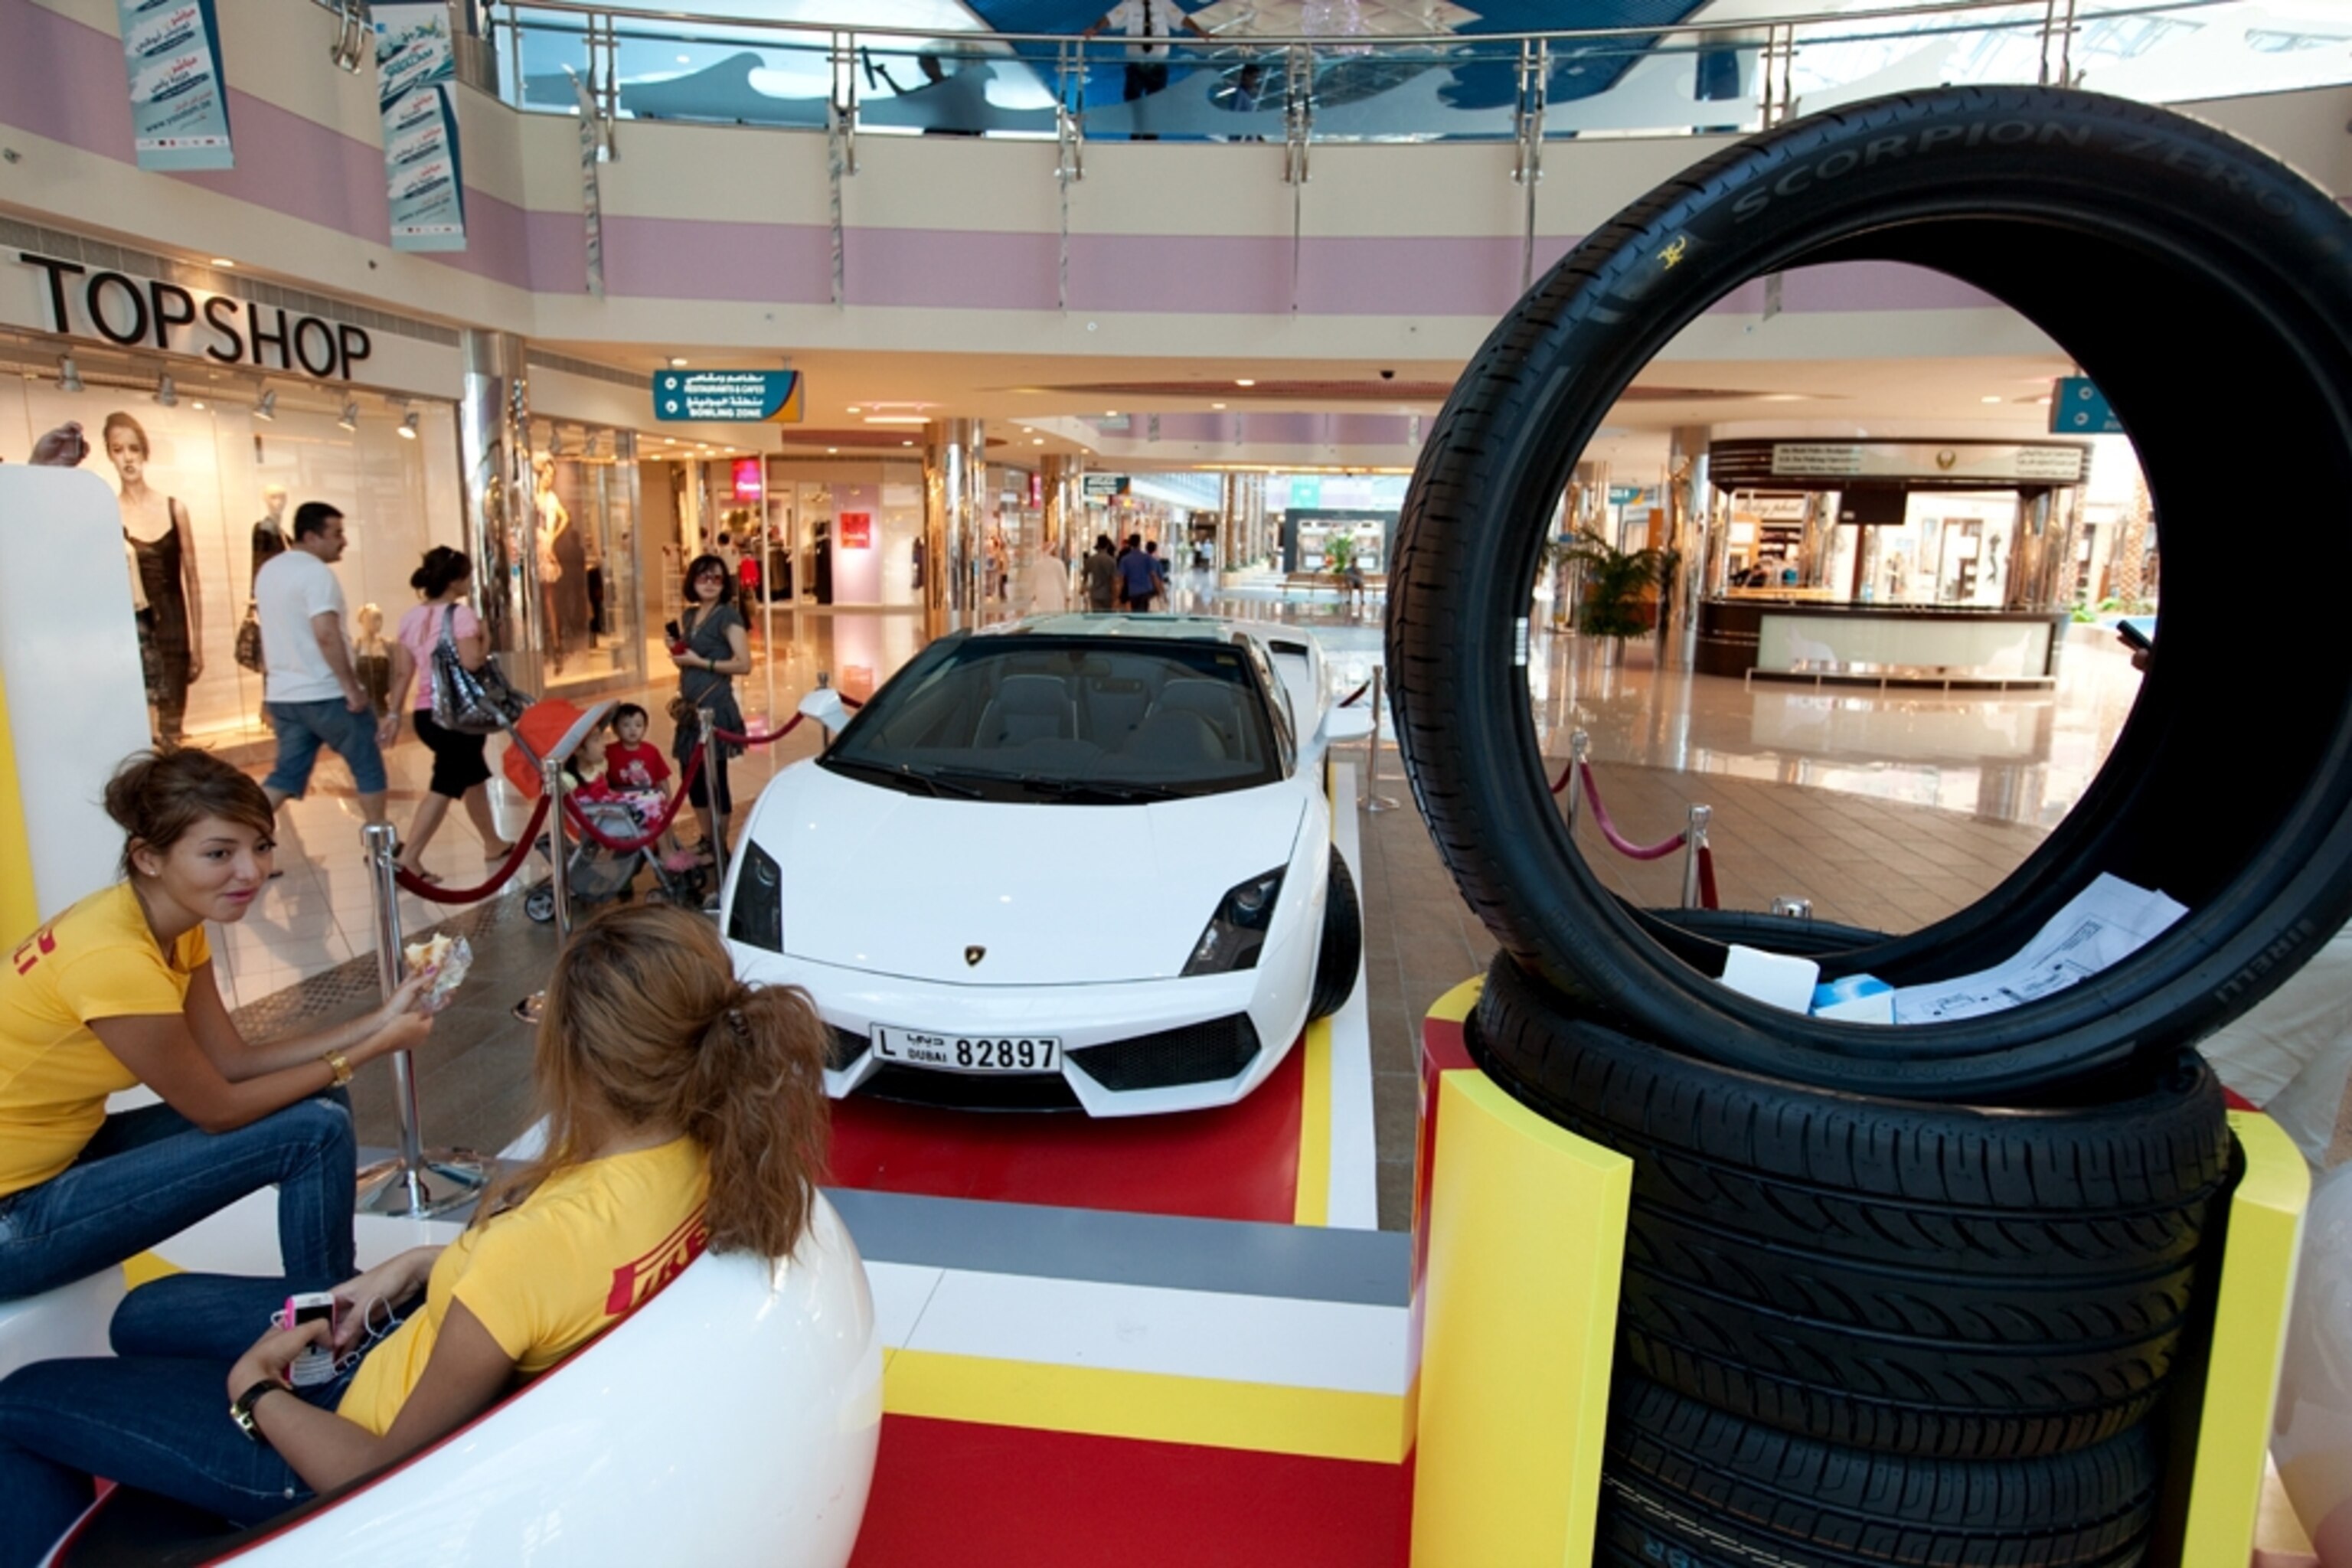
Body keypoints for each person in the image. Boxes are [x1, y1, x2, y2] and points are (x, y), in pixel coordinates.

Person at [0, 902, 830, 1565]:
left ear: (576, 1051)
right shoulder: (705, 1149)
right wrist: (414, 1267)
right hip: (402, 1332)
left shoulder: (531, 1246)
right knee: (145, 1313)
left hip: (328, 1434)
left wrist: (254, 1388)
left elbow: (380, 1475)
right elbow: (540, 1280)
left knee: (19, 1399)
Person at [0, 749, 436, 1308]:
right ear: (148, 858)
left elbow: (231, 1060)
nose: (250, 872)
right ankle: (331, 1326)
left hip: (64, 1156)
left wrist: (376, 1019)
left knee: (320, 1100)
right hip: (15, 1215)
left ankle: (330, 1296)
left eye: (260, 847)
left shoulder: (169, 923)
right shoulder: (114, 958)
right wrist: (374, 1047)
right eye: (218, 854)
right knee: (315, 1129)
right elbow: (219, 1108)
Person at [255, 503, 397, 828]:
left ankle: (244, 836)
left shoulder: (269, 572)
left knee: (285, 774)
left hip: (286, 694)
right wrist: (352, 688)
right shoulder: (317, 574)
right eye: (337, 534)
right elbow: (326, 635)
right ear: (310, 536)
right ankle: (380, 845)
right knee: (368, 766)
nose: (344, 541)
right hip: (326, 693)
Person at [386, 547, 513, 882]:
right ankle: (410, 858)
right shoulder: (461, 616)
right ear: (454, 580)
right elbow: (472, 662)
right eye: (467, 575)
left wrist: (394, 714)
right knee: (446, 782)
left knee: (472, 776)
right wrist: (485, 638)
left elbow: (402, 673)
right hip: (459, 714)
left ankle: (492, 841)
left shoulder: (409, 618)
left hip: (427, 714)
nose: (470, 581)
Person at [105, 412, 201, 745]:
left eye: (133, 448)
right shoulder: (108, 513)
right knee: (143, 733)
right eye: (118, 449)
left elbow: (192, 580)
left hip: (174, 627)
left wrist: (198, 646)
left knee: (173, 727)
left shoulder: (175, 508)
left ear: (145, 452)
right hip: (135, 632)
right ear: (109, 455)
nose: (128, 457)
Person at [671, 554, 751, 867]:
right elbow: (686, 658)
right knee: (691, 778)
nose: (709, 583)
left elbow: (744, 663)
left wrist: (699, 662)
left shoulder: (727, 616)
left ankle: (719, 844)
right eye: (703, 577)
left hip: (714, 708)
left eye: (716, 578)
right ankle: (707, 839)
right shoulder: (690, 616)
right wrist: (678, 653)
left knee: (714, 777)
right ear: (692, 580)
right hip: (690, 709)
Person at [1083, 0, 1207, 136]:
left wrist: (1199, 31)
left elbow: (1182, 19)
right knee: (1133, 99)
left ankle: (1151, 135)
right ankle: (1136, 131)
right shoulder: (1129, 5)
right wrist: (1095, 29)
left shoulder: (1164, 4)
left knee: (1156, 101)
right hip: (1136, 63)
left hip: (1157, 63)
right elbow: (1110, 18)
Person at [250, 485, 289, 587]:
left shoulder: (283, 535)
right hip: (273, 590)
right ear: (266, 500)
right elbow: (259, 563)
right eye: (273, 497)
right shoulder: (264, 529)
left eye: (282, 497)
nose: (279, 502)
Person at [1117, 533, 1158, 612]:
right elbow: (1153, 575)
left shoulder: (1125, 560)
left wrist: (1118, 594)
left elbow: (1121, 578)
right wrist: (1158, 589)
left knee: (1135, 611)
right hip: (1145, 590)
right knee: (1143, 612)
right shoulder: (1146, 558)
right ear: (1139, 543)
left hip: (1133, 591)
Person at [1084, 534, 1119, 612]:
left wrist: (1084, 588)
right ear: (1107, 546)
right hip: (1108, 594)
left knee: (1097, 617)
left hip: (1095, 593)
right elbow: (1114, 580)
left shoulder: (1091, 560)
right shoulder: (1111, 561)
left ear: (1098, 546)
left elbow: (1085, 576)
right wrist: (1116, 597)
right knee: (1107, 617)